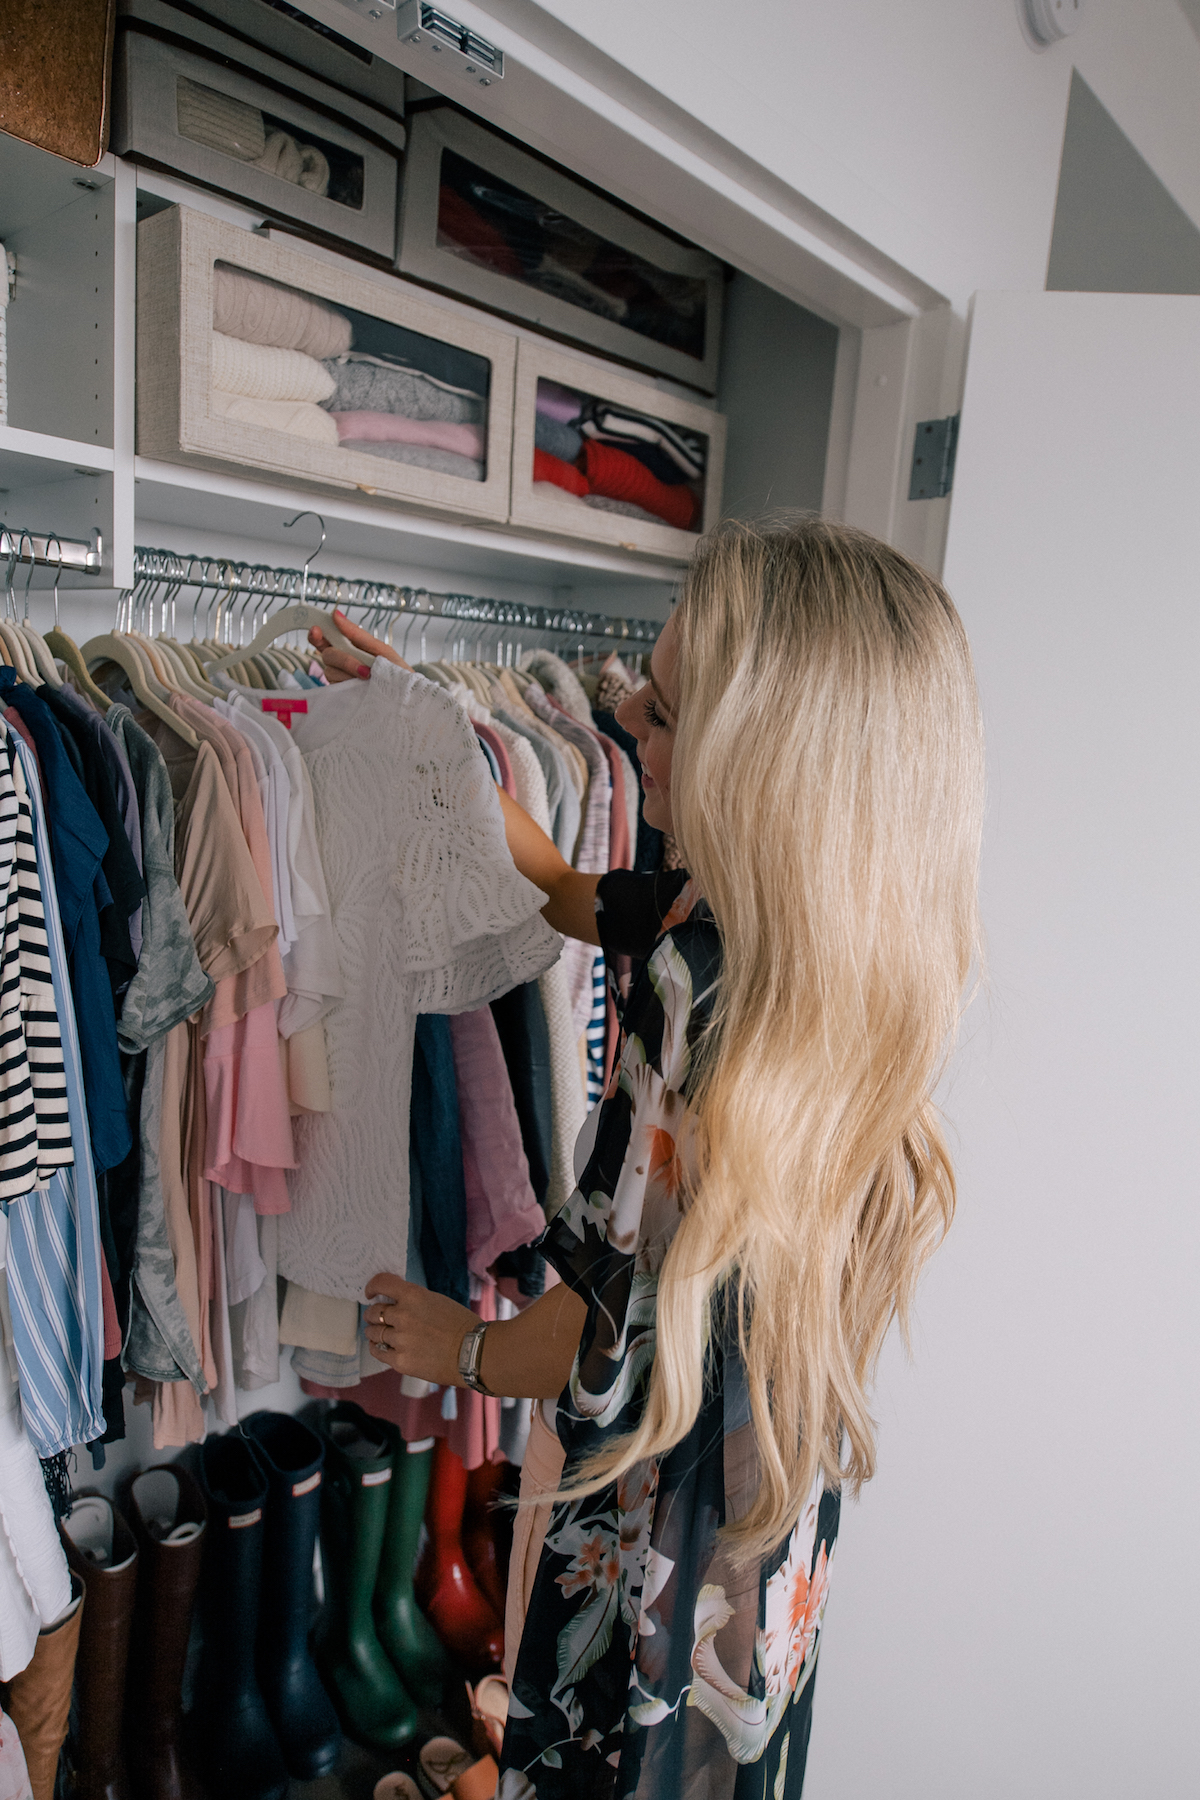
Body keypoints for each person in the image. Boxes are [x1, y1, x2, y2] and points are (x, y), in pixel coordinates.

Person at [310, 518, 984, 1798]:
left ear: (762, 766)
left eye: (664, 716)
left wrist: (459, 1346)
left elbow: (597, 1326)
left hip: (651, 1521)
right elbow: (571, 892)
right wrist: (435, 738)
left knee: (617, 1757)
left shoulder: (698, 987)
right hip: (759, 1508)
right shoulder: (820, 955)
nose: (626, 731)